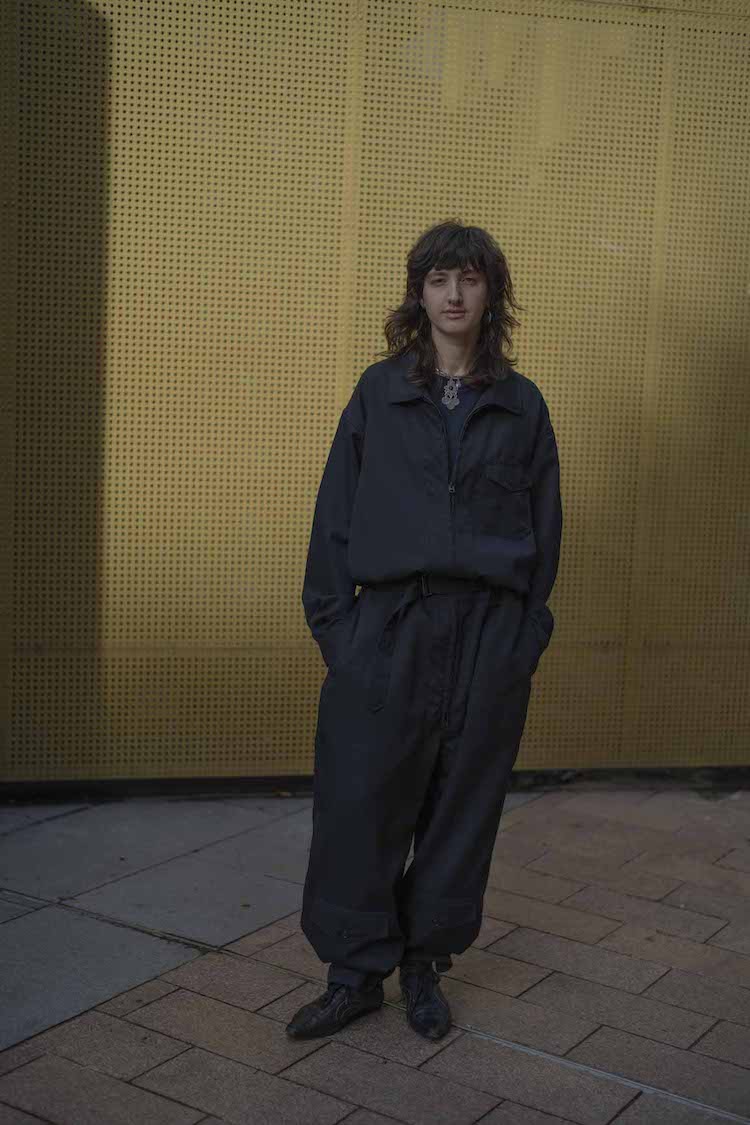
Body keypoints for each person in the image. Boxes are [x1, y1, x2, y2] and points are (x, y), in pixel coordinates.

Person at [286, 219, 563, 1042]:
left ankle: (422, 967)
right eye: (439, 279)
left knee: (460, 812)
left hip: (487, 635)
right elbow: (334, 520)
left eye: (469, 279)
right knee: (361, 804)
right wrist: (342, 637)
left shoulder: (521, 405)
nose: (453, 294)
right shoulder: (379, 394)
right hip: (389, 629)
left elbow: (545, 535)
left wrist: (521, 642)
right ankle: (353, 975)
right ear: (419, 293)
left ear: (491, 293)